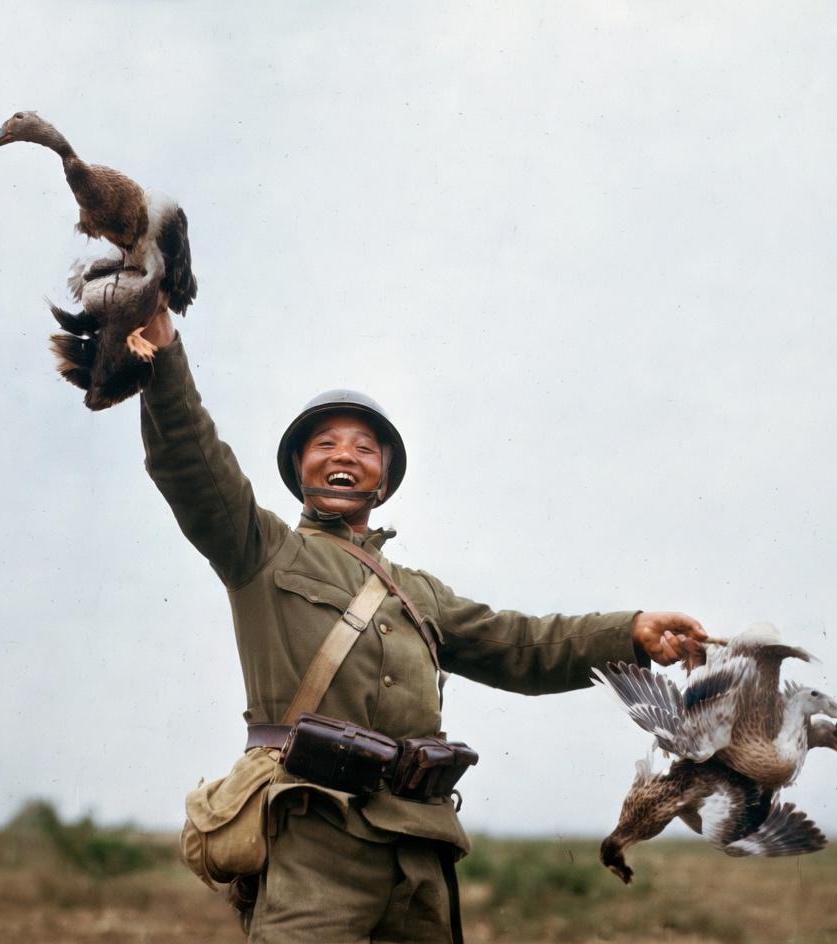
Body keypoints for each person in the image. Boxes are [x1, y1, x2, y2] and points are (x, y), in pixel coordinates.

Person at [137, 302, 706, 944]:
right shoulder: (262, 551)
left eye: (362, 447)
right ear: (300, 469)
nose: (341, 456)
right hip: (313, 845)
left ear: (384, 479)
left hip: (420, 851)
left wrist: (629, 631)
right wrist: (163, 357)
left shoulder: (419, 594)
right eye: (323, 445)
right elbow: (193, 464)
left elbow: (520, 645)